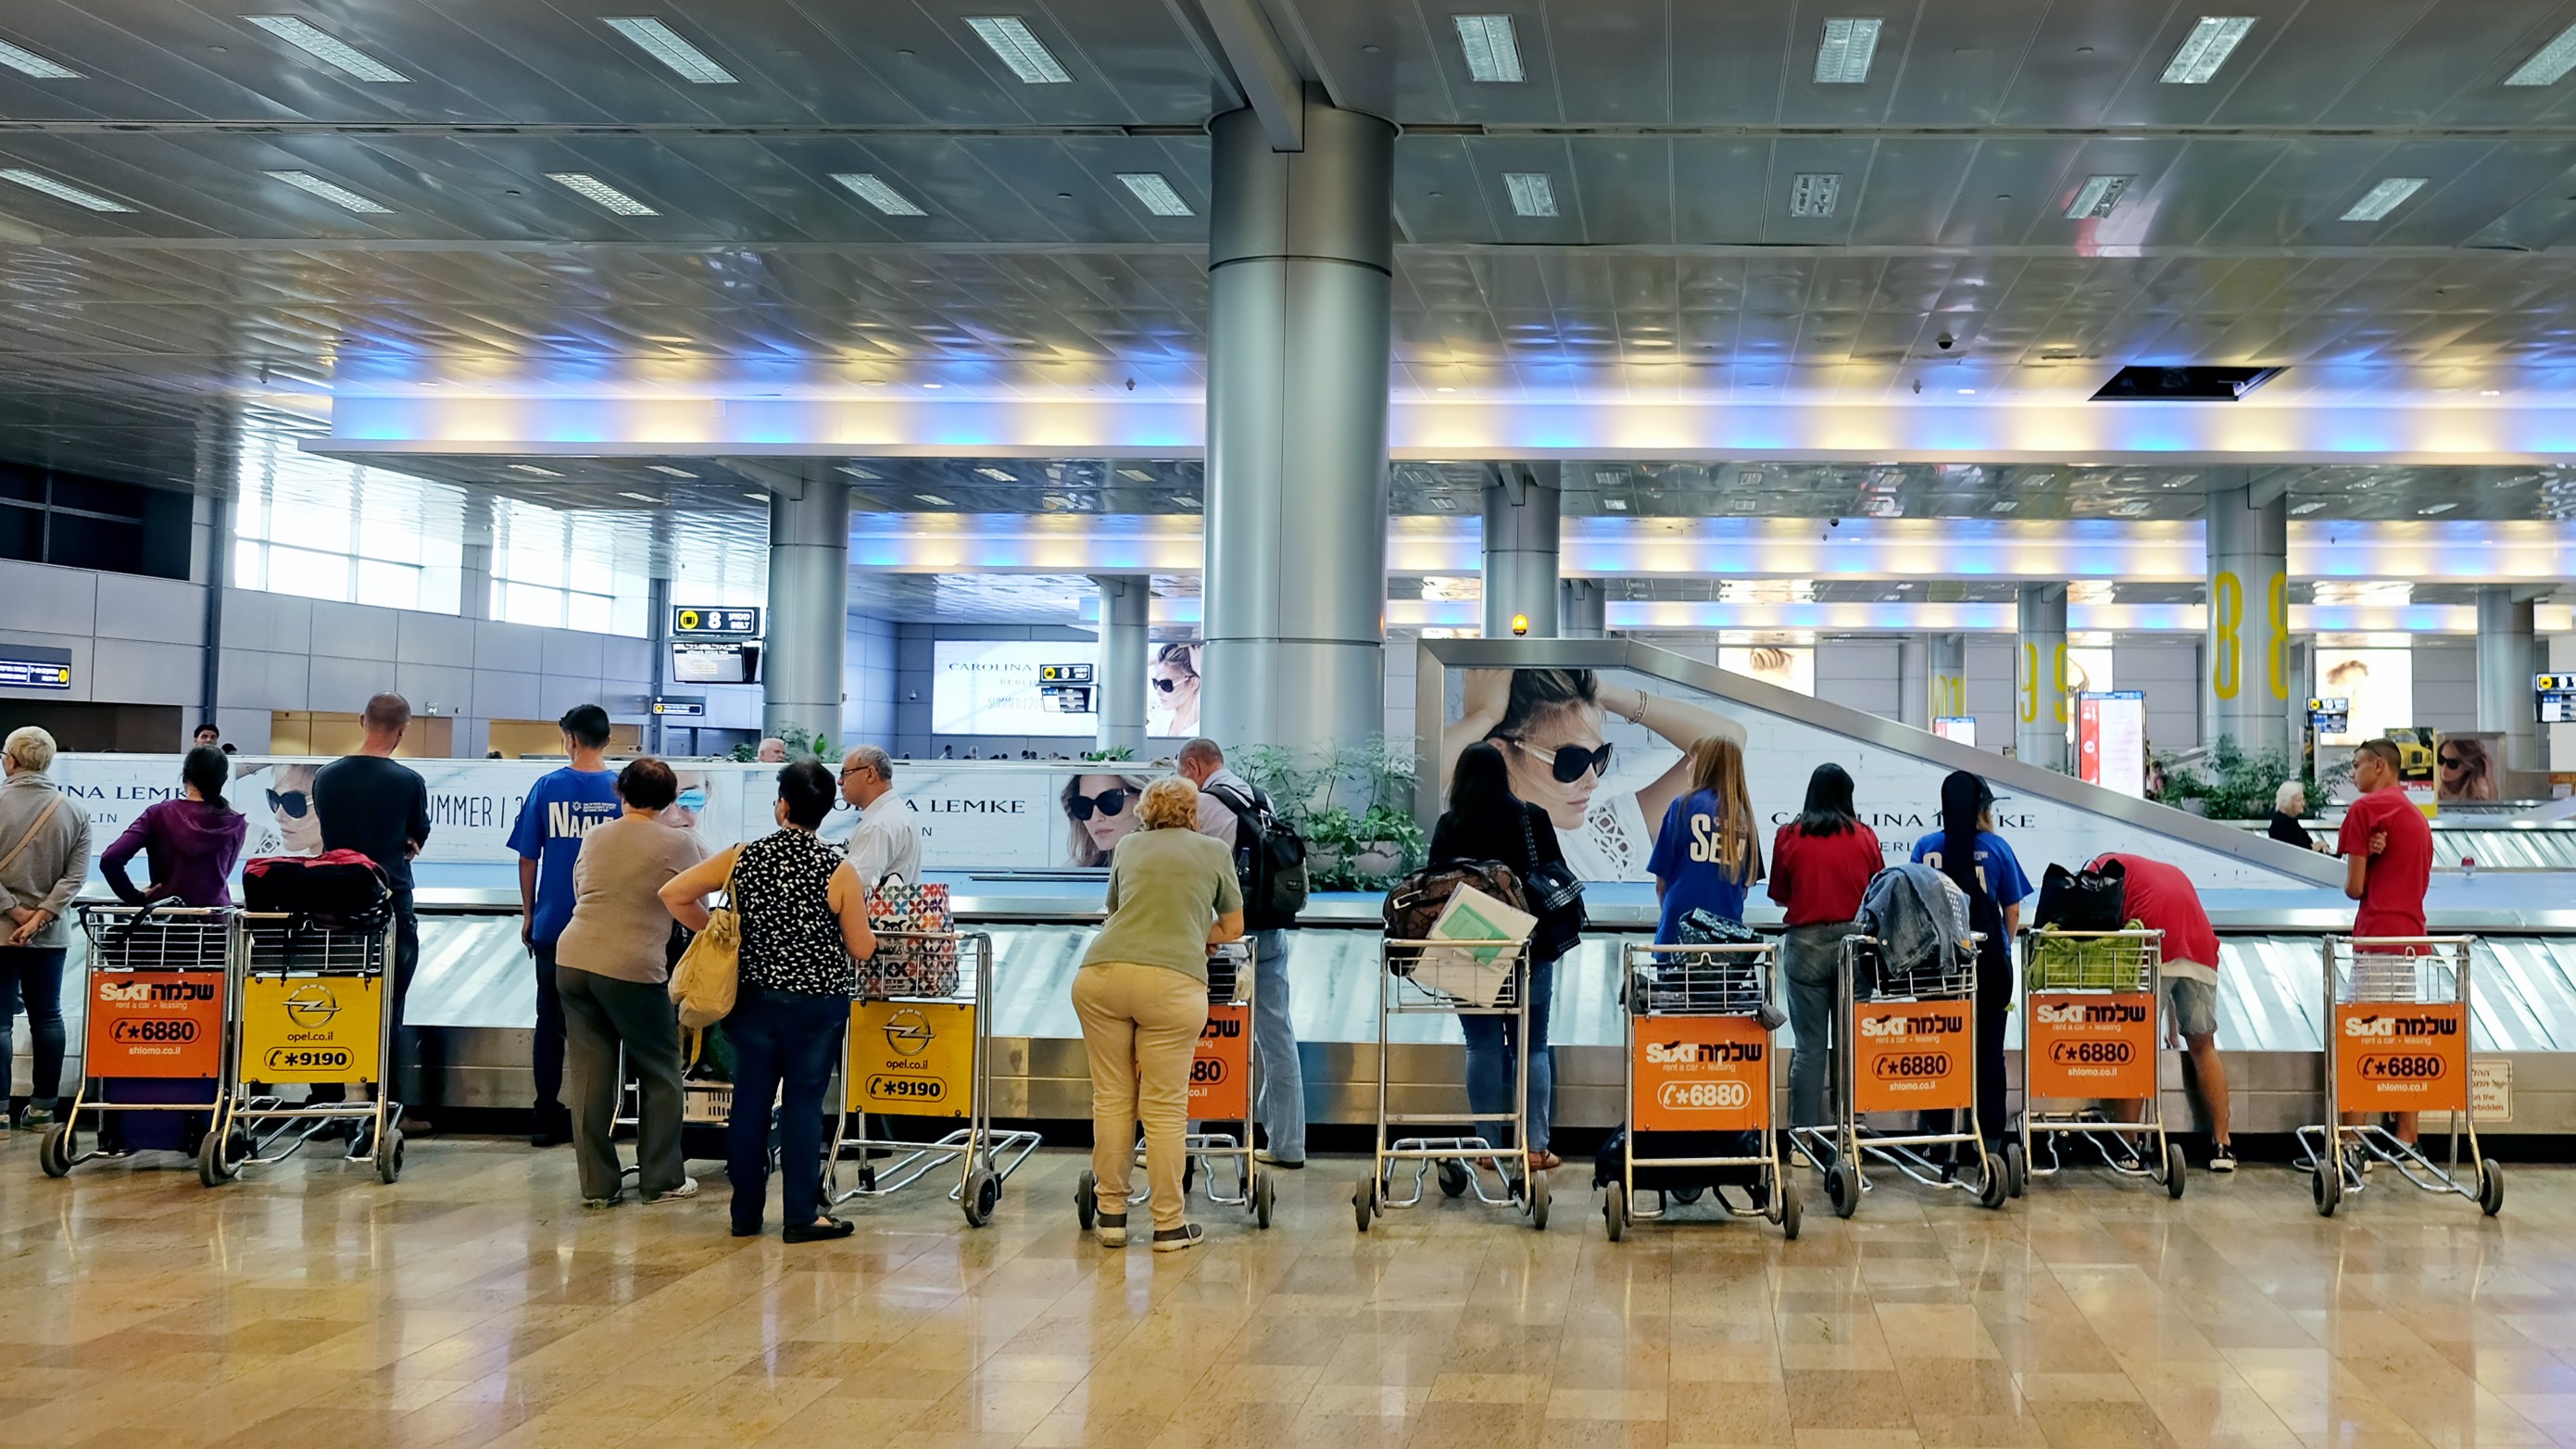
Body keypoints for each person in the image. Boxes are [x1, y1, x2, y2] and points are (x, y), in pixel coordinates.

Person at [660, 760, 875, 1242]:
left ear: (782, 805)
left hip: (752, 1002)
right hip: (815, 1007)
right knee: (802, 1106)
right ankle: (801, 1217)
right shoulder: (838, 868)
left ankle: (745, 1215)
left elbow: (674, 893)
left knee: (750, 1105)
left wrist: (716, 931)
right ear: (824, 811)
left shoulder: (744, 856)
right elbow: (860, 947)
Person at [1074, 775, 1241, 1252]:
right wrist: (1195, 933)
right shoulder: (1214, 852)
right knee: (1165, 1107)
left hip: (1102, 975)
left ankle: (1111, 1215)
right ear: (1193, 812)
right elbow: (1234, 924)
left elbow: (1114, 908)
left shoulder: (1128, 847)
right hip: (1172, 984)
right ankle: (1168, 1224)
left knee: (1111, 1098)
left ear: (1145, 811)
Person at [555, 758, 703, 1208]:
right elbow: (693, 903)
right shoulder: (678, 843)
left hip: (573, 958)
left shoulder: (596, 835)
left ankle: (598, 1186)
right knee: (660, 1069)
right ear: (670, 800)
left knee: (590, 1077)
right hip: (632, 967)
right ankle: (660, 1179)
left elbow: (582, 891)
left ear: (621, 792)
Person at [1429, 740, 1582, 1173]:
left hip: (1468, 946)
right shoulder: (1532, 819)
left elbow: (1434, 887)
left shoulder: (1450, 825)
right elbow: (1556, 876)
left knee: (1481, 1046)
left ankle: (1487, 1146)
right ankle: (1534, 1147)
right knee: (1530, 1047)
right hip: (1526, 948)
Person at [1441, 668, 1747, 882]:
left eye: (1598, 758)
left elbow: (1726, 743)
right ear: (1501, 753)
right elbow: (1413, 789)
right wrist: (1482, 717)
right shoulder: (1468, 835)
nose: (1592, 780)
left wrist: (1609, 693)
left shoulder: (1598, 837)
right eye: (1571, 762)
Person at [1176, 737, 1304, 1169]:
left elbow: (1190, 872)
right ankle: (1288, 1144)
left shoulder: (1204, 804)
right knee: (1277, 1036)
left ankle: (1185, 1144)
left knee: (1202, 1034)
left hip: (1225, 938)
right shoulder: (1259, 797)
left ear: (1193, 766)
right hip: (1269, 933)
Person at [507, 703, 623, 1147]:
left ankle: (545, 1113)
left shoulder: (547, 787)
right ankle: (603, 1115)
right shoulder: (621, 790)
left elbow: (527, 855)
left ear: (569, 739)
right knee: (606, 1023)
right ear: (607, 740)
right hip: (609, 926)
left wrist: (530, 913)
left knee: (550, 1020)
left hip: (556, 924)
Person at [312, 693, 432, 1127]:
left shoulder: (326, 778)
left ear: (361, 720)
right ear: (403, 730)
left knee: (329, 1003)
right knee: (389, 1005)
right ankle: (386, 1107)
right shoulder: (408, 782)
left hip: (334, 904)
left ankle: (323, 1102)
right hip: (389, 902)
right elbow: (416, 836)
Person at [2087, 853, 2234, 1172]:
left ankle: (2130, 1144)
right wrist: (2171, 1029)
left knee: (2134, 1045)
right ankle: (2222, 1145)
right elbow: (2176, 952)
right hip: (2201, 949)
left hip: (2152, 946)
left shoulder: (2101, 867)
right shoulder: (2166, 869)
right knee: (2203, 1046)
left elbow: (2093, 916)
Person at [1910, 770, 2030, 1152]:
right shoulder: (1997, 849)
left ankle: (1938, 1136)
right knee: (1989, 1056)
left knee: (1939, 1050)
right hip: (1989, 967)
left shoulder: (1926, 846)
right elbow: (2012, 909)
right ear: (1982, 809)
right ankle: (1990, 1142)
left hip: (1934, 967)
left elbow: (1911, 900)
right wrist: (2000, 947)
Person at [1767, 763, 1883, 1130]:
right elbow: (1877, 893)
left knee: (1809, 1047)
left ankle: (1804, 1138)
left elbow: (1779, 896)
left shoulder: (1788, 836)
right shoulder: (1865, 837)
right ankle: (1850, 1129)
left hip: (1805, 948)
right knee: (1850, 1045)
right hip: (1854, 947)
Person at [2338, 738, 2435, 1148]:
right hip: (2410, 941)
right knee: (2401, 1040)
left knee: (2360, 1037)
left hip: (2376, 940)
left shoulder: (2364, 810)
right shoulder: (2416, 817)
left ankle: (2350, 1141)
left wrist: (2366, 862)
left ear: (2379, 766)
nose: (2352, 772)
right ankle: (2407, 1137)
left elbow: (2353, 887)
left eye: (2357, 764)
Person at [0, 727, 90, 1132]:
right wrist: (40, 917)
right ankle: (43, 1109)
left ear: (12, 761)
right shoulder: (74, 811)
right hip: (50, 933)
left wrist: (14, 913)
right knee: (47, 1018)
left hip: (1, 930)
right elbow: (75, 877)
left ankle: (0, 1111)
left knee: (0, 1021)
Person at [1646, 735, 1765, 942]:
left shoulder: (1682, 806)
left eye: (1692, 759)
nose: (1687, 767)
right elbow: (1744, 889)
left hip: (1677, 937)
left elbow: (1661, 882)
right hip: (1727, 942)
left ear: (1705, 764)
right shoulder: (1746, 818)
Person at [101, 746, 247, 908]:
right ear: (223, 779)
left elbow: (110, 859)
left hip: (165, 918)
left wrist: (134, 897)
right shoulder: (235, 822)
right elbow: (223, 873)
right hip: (214, 919)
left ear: (184, 776)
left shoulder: (158, 814)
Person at [839, 745, 921, 888]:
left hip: (871, 911)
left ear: (870, 774)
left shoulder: (878, 824)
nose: (840, 781)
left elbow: (856, 886)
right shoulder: (896, 813)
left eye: (845, 773)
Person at [1062, 771, 1152, 866]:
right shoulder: (1077, 872)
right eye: (1083, 805)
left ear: (1142, 800)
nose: (1095, 818)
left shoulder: (1166, 866)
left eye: (1109, 802)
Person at [1150, 642, 1202, 737]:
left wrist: (1200, 669)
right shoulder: (1160, 721)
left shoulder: (1203, 728)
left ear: (1194, 683)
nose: (1159, 692)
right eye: (1156, 683)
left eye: (1166, 685)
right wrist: (1156, 657)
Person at [2438, 736, 2497, 802]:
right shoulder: (2431, 790)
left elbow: (2495, 810)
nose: (2444, 768)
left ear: (2468, 766)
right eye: (2441, 759)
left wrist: (2490, 778)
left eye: (2452, 764)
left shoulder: (2477, 797)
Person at [2269, 781, 2319, 850]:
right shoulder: (2283, 825)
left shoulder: (2290, 821)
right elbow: (2301, 850)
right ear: (2287, 802)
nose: (2303, 803)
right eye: (2299, 800)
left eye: (2303, 799)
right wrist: (2318, 846)